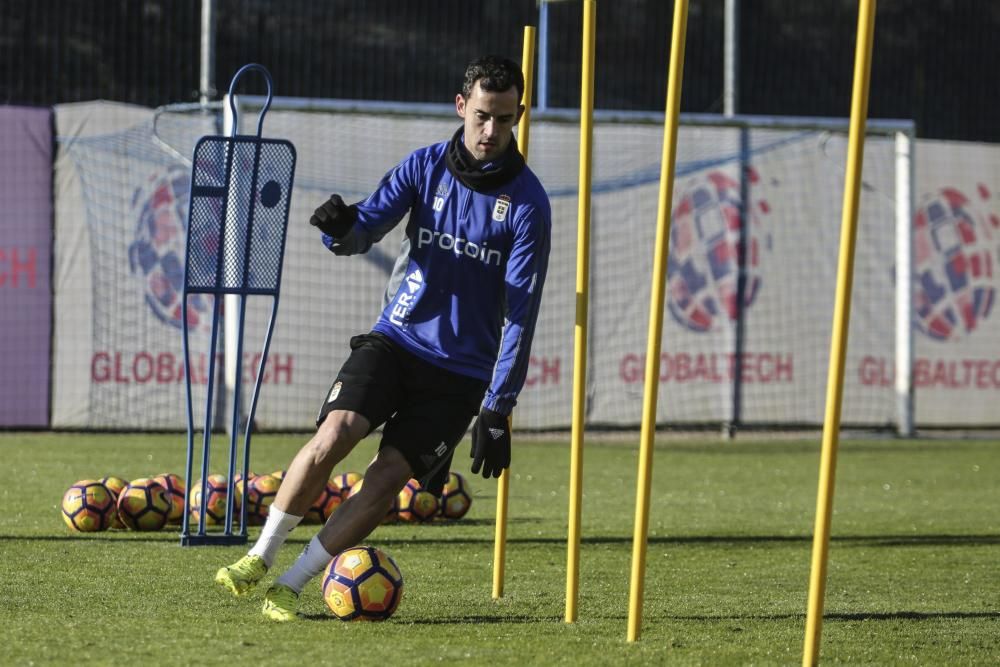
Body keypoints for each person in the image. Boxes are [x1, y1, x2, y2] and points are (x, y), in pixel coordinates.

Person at [214, 55, 551, 622]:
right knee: (334, 435)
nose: (492, 131)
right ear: (461, 106)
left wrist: (498, 407)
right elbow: (366, 227)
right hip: (395, 340)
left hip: (460, 376)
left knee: (388, 475)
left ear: (518, 115)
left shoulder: (528, 205)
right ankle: (259, 556)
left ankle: (292, 585)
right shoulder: (423, 167)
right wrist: (342, 229)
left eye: (505, 119)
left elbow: (521, 313)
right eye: (483, 117)